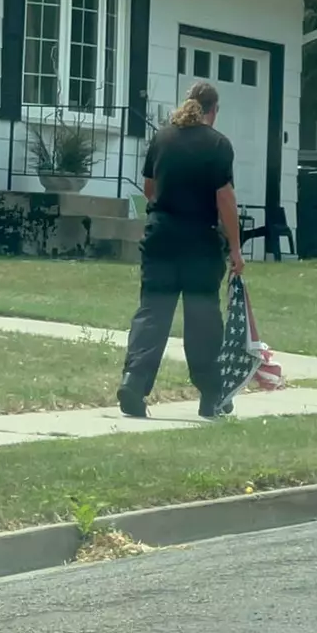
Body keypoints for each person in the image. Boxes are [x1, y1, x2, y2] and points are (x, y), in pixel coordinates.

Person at [118, 80, 244, 421]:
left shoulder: (162, 138)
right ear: (213, 110)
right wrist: (235, 248)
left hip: (160, 237)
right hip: (200, 242)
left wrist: (166, 212)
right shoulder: (218, 145)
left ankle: (134, 381)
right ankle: (210, 395)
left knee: (152, 312)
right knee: (202, 318)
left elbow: (149, 186)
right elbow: (225, 199)